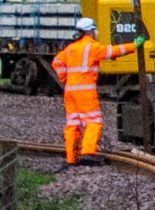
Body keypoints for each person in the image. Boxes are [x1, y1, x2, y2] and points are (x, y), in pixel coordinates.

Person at [52, 17, 145, 166]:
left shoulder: (70, 48)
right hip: (85, 91)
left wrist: (64, 78)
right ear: (90, 31)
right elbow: (114, 51)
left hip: (70, 91)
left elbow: (56, 62)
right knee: (93, 121)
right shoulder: (91, 47)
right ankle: (88, 153)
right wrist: (134, 45)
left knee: (73, 123)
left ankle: (71, 157)